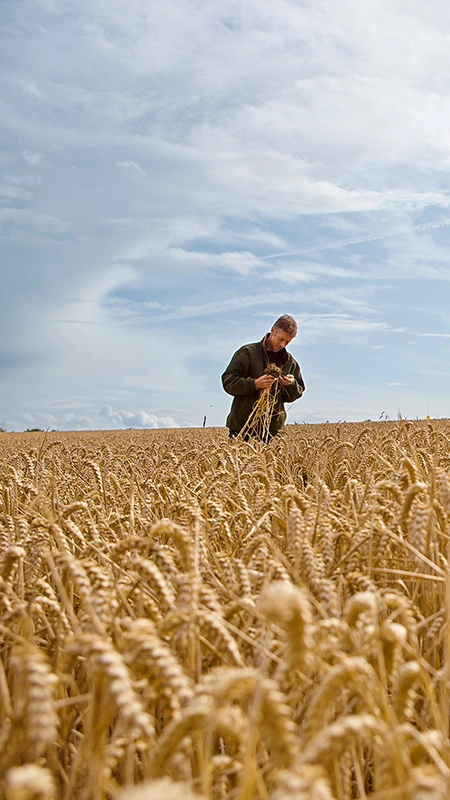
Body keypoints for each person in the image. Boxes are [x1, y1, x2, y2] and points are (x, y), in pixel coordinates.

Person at [222, 314, 305, 440]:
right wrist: (254, 384)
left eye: (287, 342)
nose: (283, 345)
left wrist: (291, 385)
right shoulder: (247, 353)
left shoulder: (289, 362)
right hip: (243, 428)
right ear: (272, 331)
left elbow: (298, 391)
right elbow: (228, 381)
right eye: (281, 339)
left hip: (273, 431)